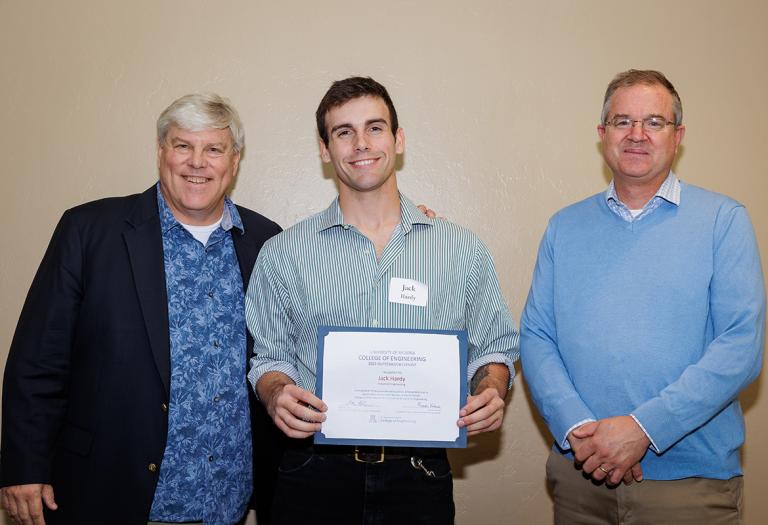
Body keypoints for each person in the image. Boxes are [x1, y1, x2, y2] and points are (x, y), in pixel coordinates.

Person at [245, 76, 519, 524]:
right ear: (324, 148)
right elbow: (269, 357)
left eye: (375, 127)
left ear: (398, 139)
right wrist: (275, 392)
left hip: (419, 474)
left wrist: (491, 388)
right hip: (312, 473)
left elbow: (494, 347)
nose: (360, 144)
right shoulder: (284, 254)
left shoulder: (461, 250)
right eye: (343, 132)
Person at [0, 93, 284, 525]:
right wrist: (23, 467)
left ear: (235, 159)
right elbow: (37, 361)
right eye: (182, 145)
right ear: (160, 151)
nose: (197, 162)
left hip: (225, 504)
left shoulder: (266, 242)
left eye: (213, 149)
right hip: (106, 494)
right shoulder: (89, 232)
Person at [520, 69, 765, 524]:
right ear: (602, 134)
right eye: (622, 121)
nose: (637, 134)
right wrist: (578, 429)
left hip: (690, 488)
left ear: (678, 136)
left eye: (654, 122)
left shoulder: (723, 221)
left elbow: (740, 347)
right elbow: (536, 335)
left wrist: (643, 429)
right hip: (581, 479)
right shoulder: (564, 227)